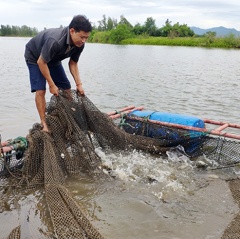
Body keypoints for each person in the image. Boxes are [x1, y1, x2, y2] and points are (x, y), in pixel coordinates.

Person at [24, 15, 92, 132]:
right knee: (41, 90)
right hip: (35, 57)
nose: (83, 40)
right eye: (81, 37)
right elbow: (41, 62)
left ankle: (69, 116)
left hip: (53, 59)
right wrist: (51, 84)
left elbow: (73, 63)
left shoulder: (80, 44)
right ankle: (44, 123)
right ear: (72, 31)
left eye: (86, 38)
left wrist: (79, 84)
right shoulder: (55, 40)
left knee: (66, 89)